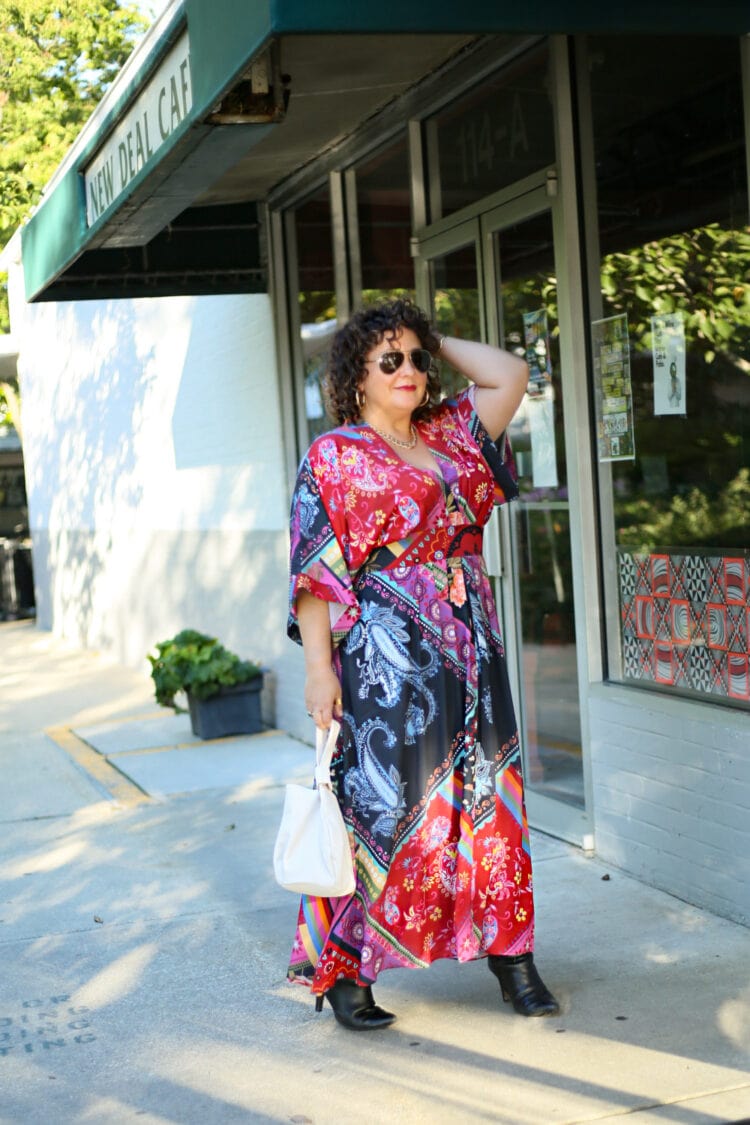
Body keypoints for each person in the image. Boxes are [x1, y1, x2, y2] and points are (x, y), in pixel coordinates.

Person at [286, 298, 560, 1030]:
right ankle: (345, 973)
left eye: (416, 358)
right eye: (390, 359)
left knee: (488, 806)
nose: (409, 370)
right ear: (358, 377)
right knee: (378, 808)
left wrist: (431, 333)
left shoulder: (452, 435)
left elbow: (510, 374)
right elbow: (316, 573)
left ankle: (514, 957)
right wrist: (320, 669)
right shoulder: (333, 456)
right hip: (385, 662)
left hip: (473, 654)